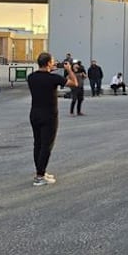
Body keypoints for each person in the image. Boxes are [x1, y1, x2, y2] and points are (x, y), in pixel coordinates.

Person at [27, 52, 78, 186]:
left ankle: (40, 171)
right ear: (49, 63)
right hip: (49, 115)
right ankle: (39, 176)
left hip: (34, 113)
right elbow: (74, 83)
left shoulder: (31, 77)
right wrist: (69, 70)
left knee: (38, 144)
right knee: (46, 146)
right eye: (53, 61)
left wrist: (49, 70)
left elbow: (42, 78)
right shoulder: (54, 78)